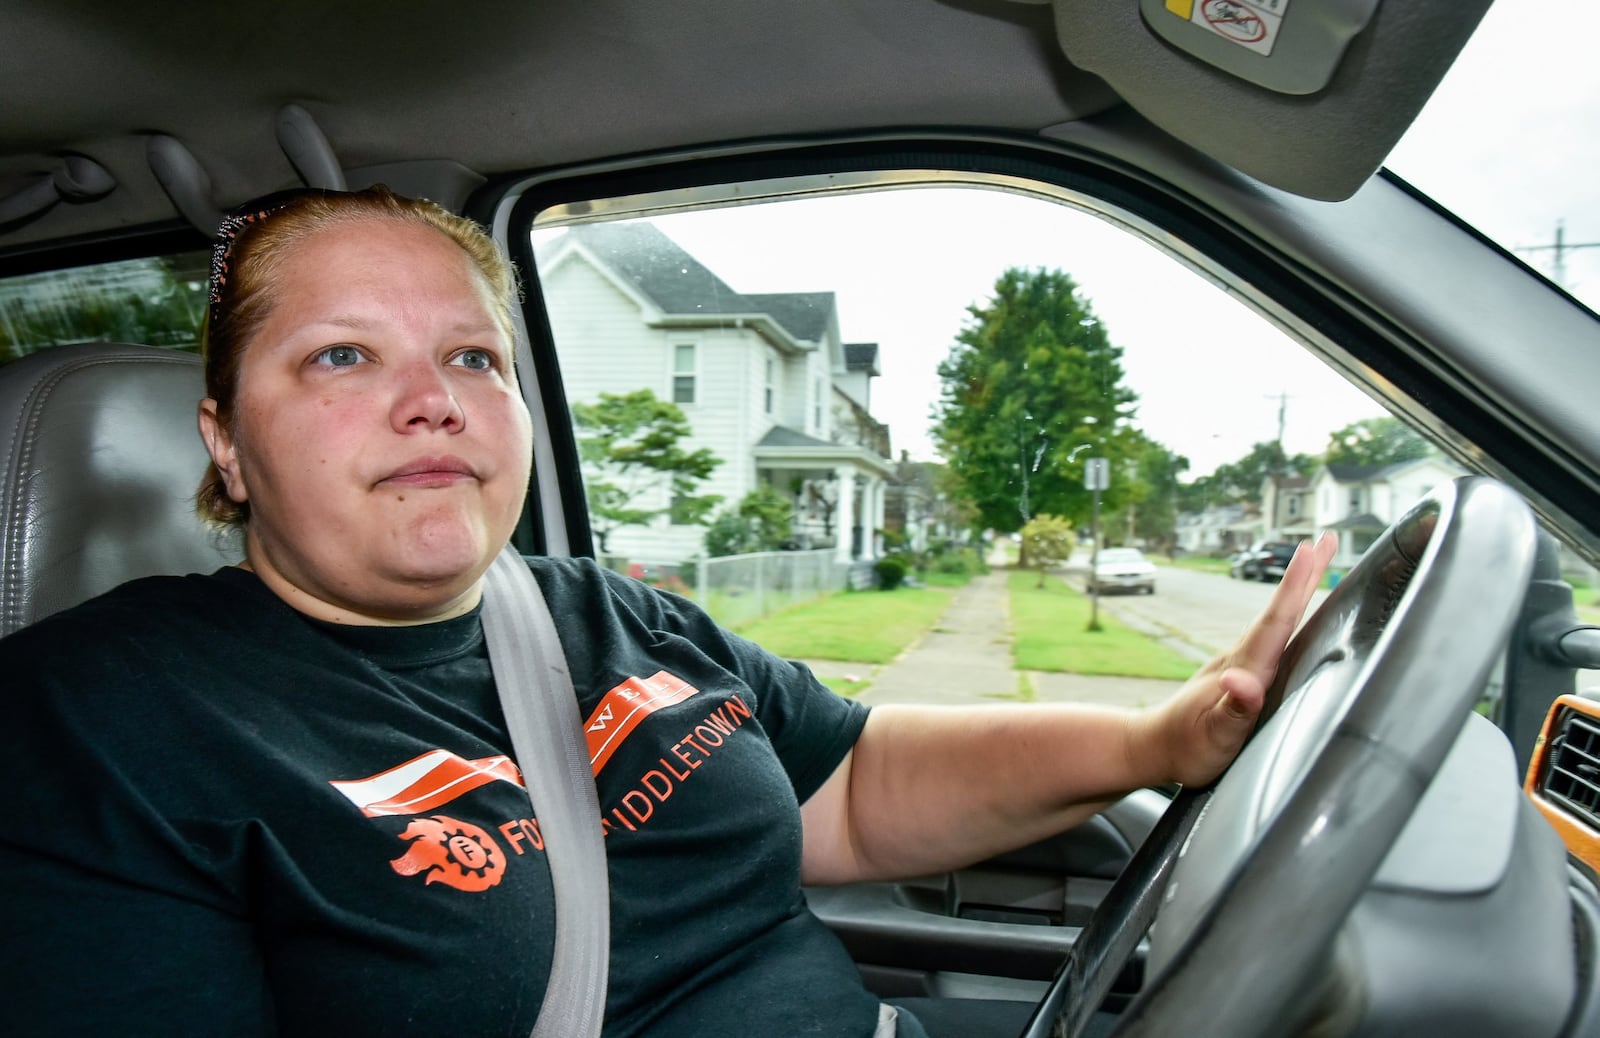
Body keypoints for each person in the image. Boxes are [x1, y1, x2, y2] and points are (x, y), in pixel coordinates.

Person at [0, 187, 1336, 1037]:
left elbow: (860, 784)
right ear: (225, 445)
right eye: (342, 355)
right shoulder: (98, 719)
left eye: (473, 354)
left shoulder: (608, 616)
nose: (435, 398)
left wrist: (1159, 741)